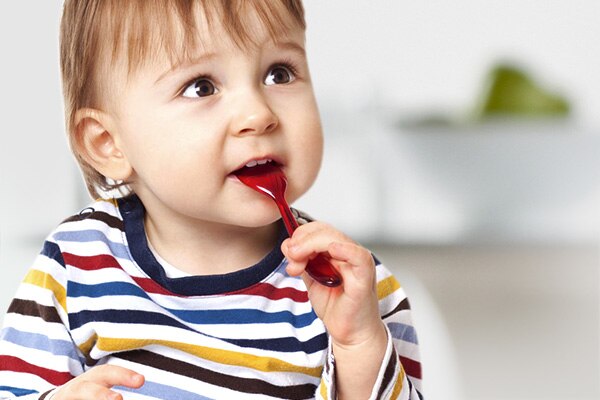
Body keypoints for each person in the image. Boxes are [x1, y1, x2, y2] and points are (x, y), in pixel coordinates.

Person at [0, 1, 423, 399]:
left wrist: (359, 344)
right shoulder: (78, 264)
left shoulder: (349, 284)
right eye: (201, 87)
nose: (258, 114)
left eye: (279, 73)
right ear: (110, 143)